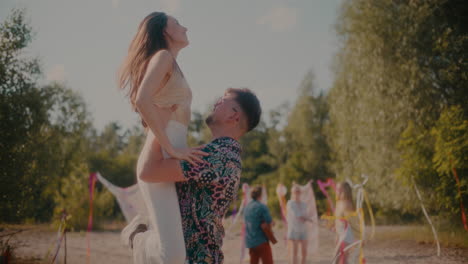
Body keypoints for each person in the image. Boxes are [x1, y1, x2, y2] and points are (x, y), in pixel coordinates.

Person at [131, 88, 262, 264]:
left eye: (223, 100)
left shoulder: (217, 157)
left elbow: (147, 171)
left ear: (234, 116)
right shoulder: (224, 155)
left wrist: (162, 122)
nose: (216, 102)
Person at [118, 11, 207, 264]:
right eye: (178, 23)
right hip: (160, 158)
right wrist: (171, 147)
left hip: (170, 158)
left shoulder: (171, 63)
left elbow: (156, 109)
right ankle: (138, 239)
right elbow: (141, 99)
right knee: (174, 255)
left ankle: (143, 236)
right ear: (165, 32)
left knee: (177, 252)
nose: (185, 27)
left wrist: (179, 148)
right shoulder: (164, 57)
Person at [244, 186, 277, 264]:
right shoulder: (262, 207)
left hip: (250, 241)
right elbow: (269, 221)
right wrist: (273, 223)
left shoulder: (247, 207)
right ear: (261, 195)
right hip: (261, 240)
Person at [286, 185, 313, 264]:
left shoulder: (304, 204)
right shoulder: (290, 203)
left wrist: (309, 218)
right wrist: (308, 219)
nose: (297, 193)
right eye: (295, 191)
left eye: (298, 191)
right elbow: (297, 215)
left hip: (303, 230)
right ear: (292, 193)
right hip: (294, 230)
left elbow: (306, 215)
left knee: (304, 252)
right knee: (295, 252)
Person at [334, 182, 359, 264]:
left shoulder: (347, 203)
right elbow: (338, 220)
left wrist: (358, 237)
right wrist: (337, 234)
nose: (336, 190)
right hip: (341, 233)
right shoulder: (339, 202)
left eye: (338, 189)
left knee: (338, 256)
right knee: (342, 257)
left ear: (344, 190)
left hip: (347, 234)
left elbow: (353, 222)